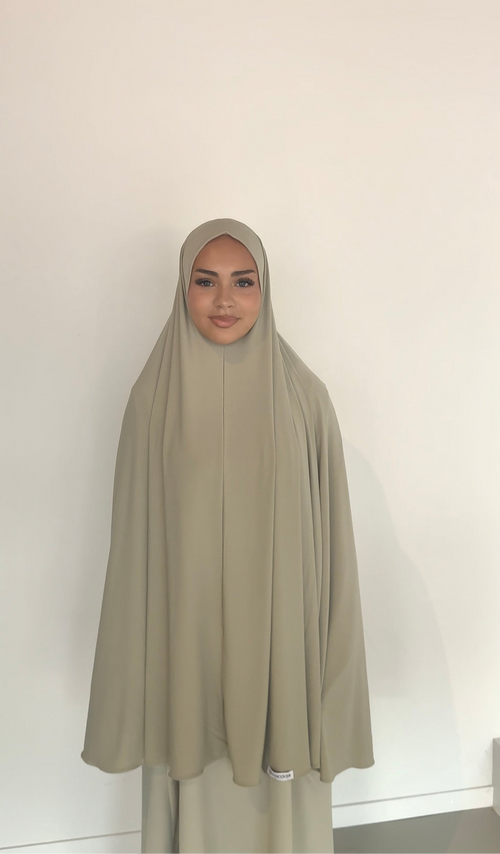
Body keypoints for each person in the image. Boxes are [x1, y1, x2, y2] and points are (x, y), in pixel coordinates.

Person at [81, 218, 375, 853]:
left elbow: (332, 543)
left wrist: (328, 659)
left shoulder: (303, 398)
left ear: (265, 289)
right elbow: (135, 553)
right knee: (191, 752)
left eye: (243, 282)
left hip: (280, 644)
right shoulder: (152, 401)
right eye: (204, 281)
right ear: (182, 289)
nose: (224, 301)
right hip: (184, 645)